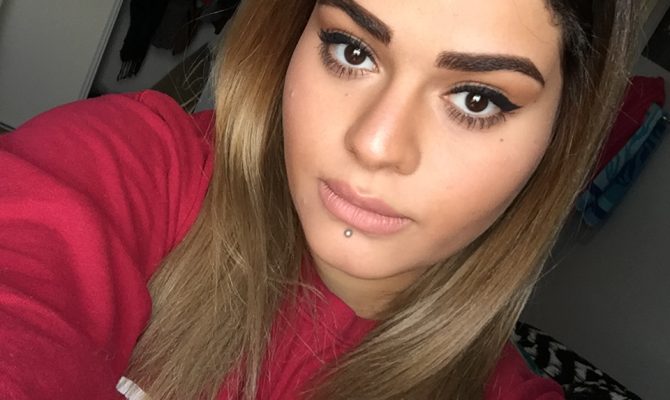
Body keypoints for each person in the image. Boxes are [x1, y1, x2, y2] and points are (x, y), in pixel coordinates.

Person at [0, 0, 640, 399]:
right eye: (352, 50)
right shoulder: (130, 163)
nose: (375, 144)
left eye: (477, 99)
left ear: (558, 137)